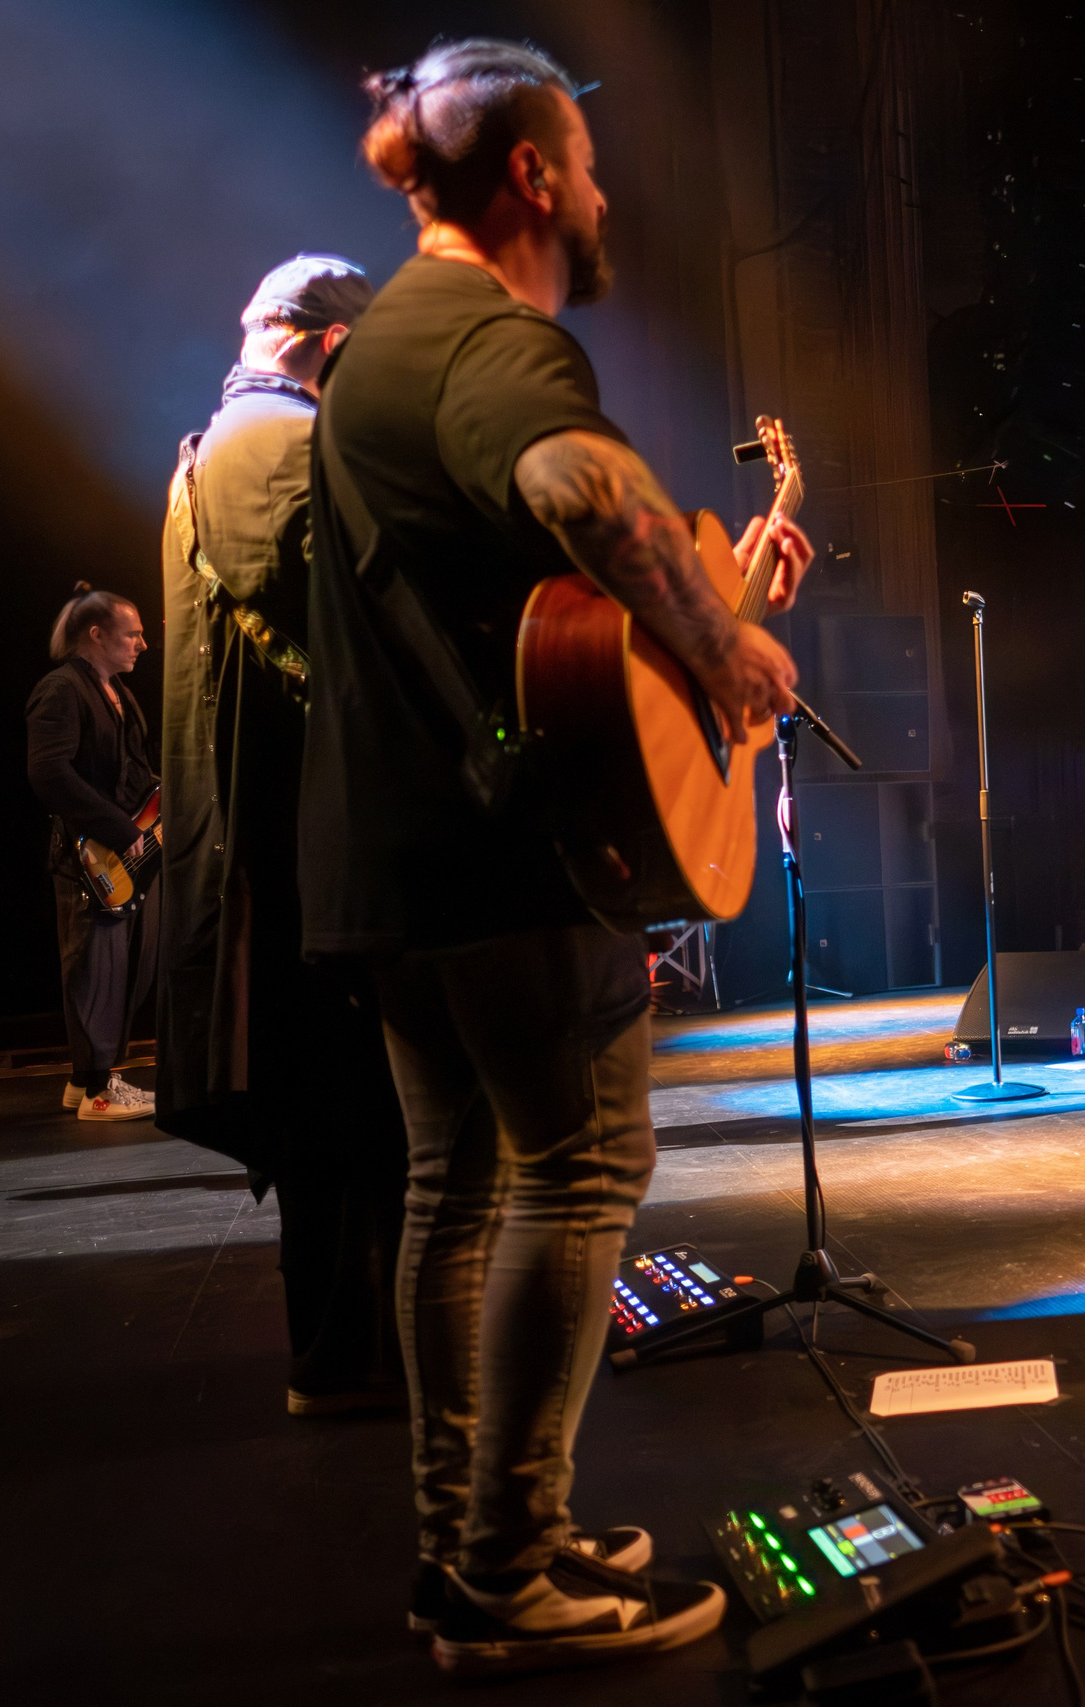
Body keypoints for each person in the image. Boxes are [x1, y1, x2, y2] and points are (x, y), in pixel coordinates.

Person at [305, 39, 814, 1671]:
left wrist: (702, 613)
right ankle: (511, 1567)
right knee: (582, 1170)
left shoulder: (389, 337)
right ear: (533, 175)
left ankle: (469, 1545)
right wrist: (722, 648)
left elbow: (542, 615)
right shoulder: (485, 336)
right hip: (503, 859)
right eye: (587, 167)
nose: (604, 196)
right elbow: (572, 481)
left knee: (454, 1190)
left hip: (398, 852)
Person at [156, 253, 413, 1418]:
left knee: (340, 1126)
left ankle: (352, 1358)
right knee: (355, 1125)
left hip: (279, 860)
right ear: (334, 347)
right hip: (303, 862)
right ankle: (354, 1360)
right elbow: (350, 614)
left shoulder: (221, 443)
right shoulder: (277, 445)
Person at [26, 584, 159, 1121]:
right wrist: (118, 828)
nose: (143, 645)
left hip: (120, 850)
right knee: (93, 969)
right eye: (133, 634)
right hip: (88, 855)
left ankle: (86, 1081)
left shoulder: (115, 691)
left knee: (117, 966)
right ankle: (101, 1092)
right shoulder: (61, 690)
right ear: (96, 635)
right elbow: (48, 772)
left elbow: (129, 770)